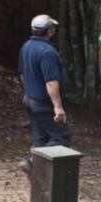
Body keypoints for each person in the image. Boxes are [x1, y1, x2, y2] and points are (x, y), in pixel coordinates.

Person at [18, 14, 71, 150]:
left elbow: (22, 75)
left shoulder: (26, 46)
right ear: (49, 31)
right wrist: (58, 107)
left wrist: (29, 92)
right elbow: (51, 82)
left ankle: (37, 162)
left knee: (40, 137)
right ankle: (38, 160)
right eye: (52, 28)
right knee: (61, 138)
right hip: (44, 104)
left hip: (30, 100)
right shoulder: (48, 52)